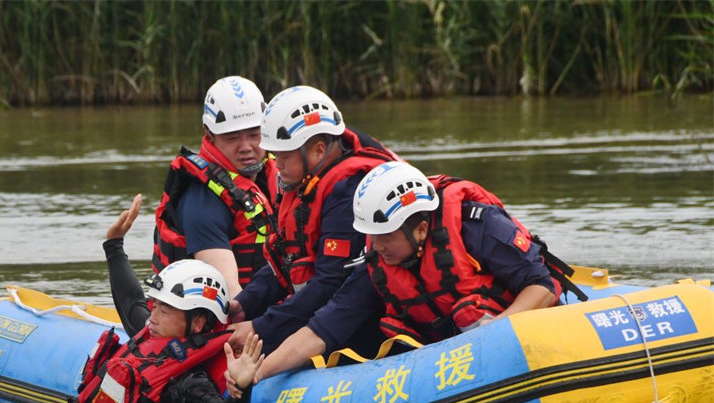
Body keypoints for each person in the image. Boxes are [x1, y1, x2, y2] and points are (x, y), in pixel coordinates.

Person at [242, 161, 568, 384]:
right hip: (451, 353)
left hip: (516, 336)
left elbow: (541, 286)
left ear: (422, 229)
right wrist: (258, 371)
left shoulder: (476, 228)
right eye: (373, 236)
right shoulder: (378, 264)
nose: (377, 246)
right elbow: (320, 331)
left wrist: (496, 331)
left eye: (386, 237)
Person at [53, 194, 263, 403]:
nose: (151, 317)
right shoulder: (152, 335)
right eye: (155, 306)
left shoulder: (190, 382)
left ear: (197, 323)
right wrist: (114, 244)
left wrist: (242, 388)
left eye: (164, 310)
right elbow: (131, 301)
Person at [228, 85, 400, 354]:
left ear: (318, 151)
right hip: (325, 308)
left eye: (284, 156)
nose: (276, 164)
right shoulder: (301, 183)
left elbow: (329, 283)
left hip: (366, 320)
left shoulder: (349, 192)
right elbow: (285, 260)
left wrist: (258, 327)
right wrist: (243, 304)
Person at [153, 75, 278, 298]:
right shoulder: (203, 202)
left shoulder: (283, 173)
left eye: (254, 134)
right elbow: (230, 295)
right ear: (209, 133)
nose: (246, 147)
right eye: (232, 138)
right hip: (215, 319)